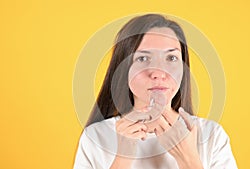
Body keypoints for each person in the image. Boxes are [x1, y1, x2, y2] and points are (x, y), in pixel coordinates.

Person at [73, 14, 238, 169]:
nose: (158, 73)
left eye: (171, 58)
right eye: (143, 58)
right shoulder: (95, 137)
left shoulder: (212, 135)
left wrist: (188, 158)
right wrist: (122, 158)